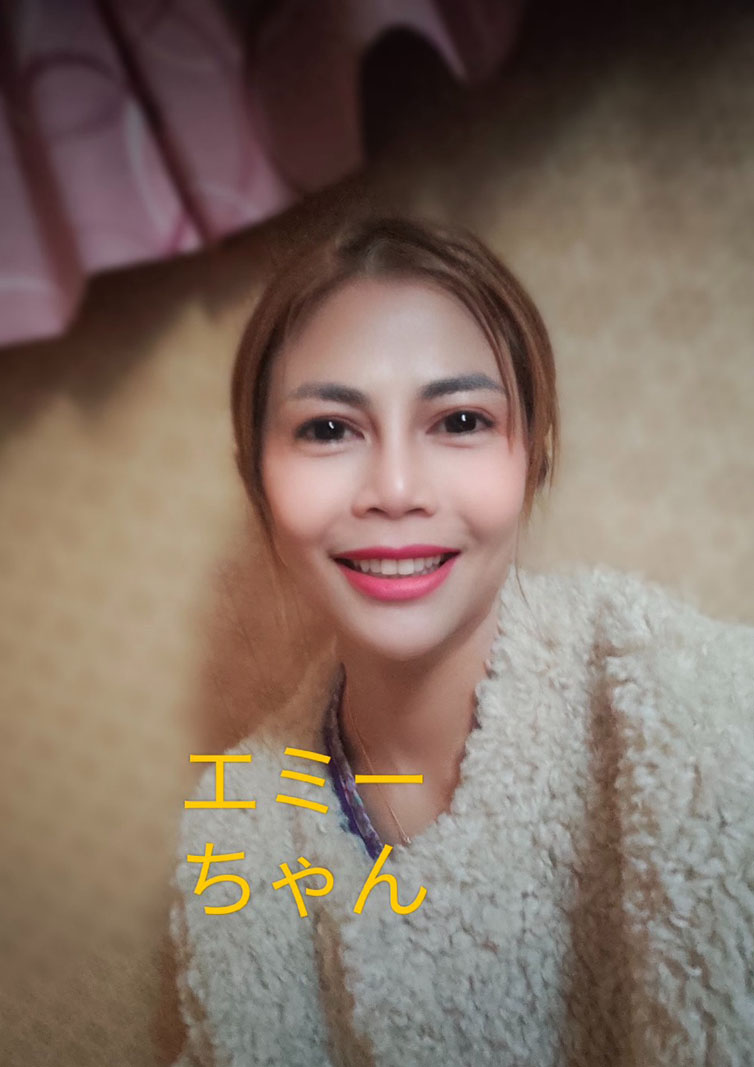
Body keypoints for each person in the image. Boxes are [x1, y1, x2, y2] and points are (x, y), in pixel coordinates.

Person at [169, 216, 754, 1067]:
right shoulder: (236, 827)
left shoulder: (704, 715)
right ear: (256, 478)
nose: (396, 487)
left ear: (534, 453)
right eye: (328, 429)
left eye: (461, 419)